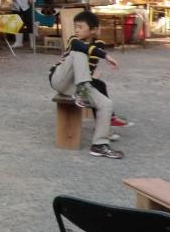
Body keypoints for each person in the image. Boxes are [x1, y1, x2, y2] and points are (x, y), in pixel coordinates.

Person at [48, 11, 123, 159]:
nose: (76, 30)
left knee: (106, 103)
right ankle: (82, 92)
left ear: (93, 30)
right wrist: (106, 56)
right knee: (79, 52)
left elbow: (90, 69)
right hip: (60, 79)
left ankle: (99, 144)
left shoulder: (98, 45)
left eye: (80, 27)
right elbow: (82, 48)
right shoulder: (73, 40)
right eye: (75, 27)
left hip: (78, 84)